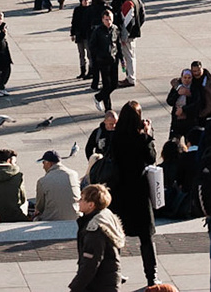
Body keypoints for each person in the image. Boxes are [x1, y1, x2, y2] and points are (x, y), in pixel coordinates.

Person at [105, 102, 159, 288]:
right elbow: (151, 157)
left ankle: (114, 273)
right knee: (146, 237)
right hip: (138, 191)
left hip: (119, 190)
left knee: (118, 235)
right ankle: (151, 277)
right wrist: (147, 133)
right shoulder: (140, 138)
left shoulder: (116, 137)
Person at [69, 183, 123, 292]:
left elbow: (91, 263)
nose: (79, 202)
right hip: (107, 280)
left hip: (99, 284)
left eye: (82, 199)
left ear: (91, 205)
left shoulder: (94, 230)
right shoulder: (106, 215)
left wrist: (75, 287)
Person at [33, 151, 80, 222]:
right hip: (75, 216)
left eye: (43, 163)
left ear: (49, 163)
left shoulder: (42, 181)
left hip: (51, 219)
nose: (43, 167)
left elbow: (39, 207)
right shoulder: (73, 174)